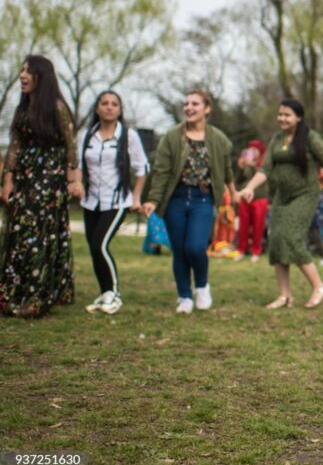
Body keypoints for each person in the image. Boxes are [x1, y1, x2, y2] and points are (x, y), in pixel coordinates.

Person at [238, 100, 323, 309]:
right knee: (275, 240)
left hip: (305, 195)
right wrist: (249, 187)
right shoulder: (276, 139)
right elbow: (265, 169)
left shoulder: (310, 138)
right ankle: (285, 296)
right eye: (280, 114)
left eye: (287, 115)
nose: (282, 119)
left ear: (298, 118)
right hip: (282, 196)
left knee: (291, 238)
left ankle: (319, 286)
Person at [0, 55, 80, 318]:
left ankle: (37, 295)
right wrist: (8, 181)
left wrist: (73, 180)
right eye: (22, 70)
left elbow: (70, 145)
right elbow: (14, 145)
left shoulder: (57, 107)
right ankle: (11, 292)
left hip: (48, 179)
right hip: (24, 176)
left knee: (38, 234)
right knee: (17, 232)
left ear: (41, 77)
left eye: (28, 72)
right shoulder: (22, 108)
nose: (22, 76)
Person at [143, 89, 234, 314]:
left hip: (202, 199)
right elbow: (161, 171)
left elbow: (227, 170)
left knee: (195, 247)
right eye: (186, 104)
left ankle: (202, 286)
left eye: (195, 104)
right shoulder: (172, 137)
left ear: (207, 109)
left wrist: (234, 192)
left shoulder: (218, 138)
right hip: (176, 199)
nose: (189, 108)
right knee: (180, 251)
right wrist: (153, 200)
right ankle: (184, 296)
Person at [77, 90, 149, 314]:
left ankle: (114, 294)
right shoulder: (87, 135)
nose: (109, 107)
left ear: (120, 110)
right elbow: (77, 164)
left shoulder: (129, 136)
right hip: (91, 201)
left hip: (117, 201)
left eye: (114, 104)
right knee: (93, 247)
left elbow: (142, 168)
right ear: (97, 108)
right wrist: (77, 183)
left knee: (100, 244)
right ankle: (105, 293)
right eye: (104, 103)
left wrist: (136, 198)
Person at [235, 140, 269, 262]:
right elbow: (238, 181)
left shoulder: (264, 164)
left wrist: (251, 165)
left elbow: (259, 178)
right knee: (243, 226)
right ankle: (241, 250)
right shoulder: (246, 164)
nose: (252, 152)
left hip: (259, 199)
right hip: (245, 199)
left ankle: (256, 251)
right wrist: (241, 167)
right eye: (251, 149)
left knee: (258, 226)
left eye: (255, 149)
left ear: (260, 152)